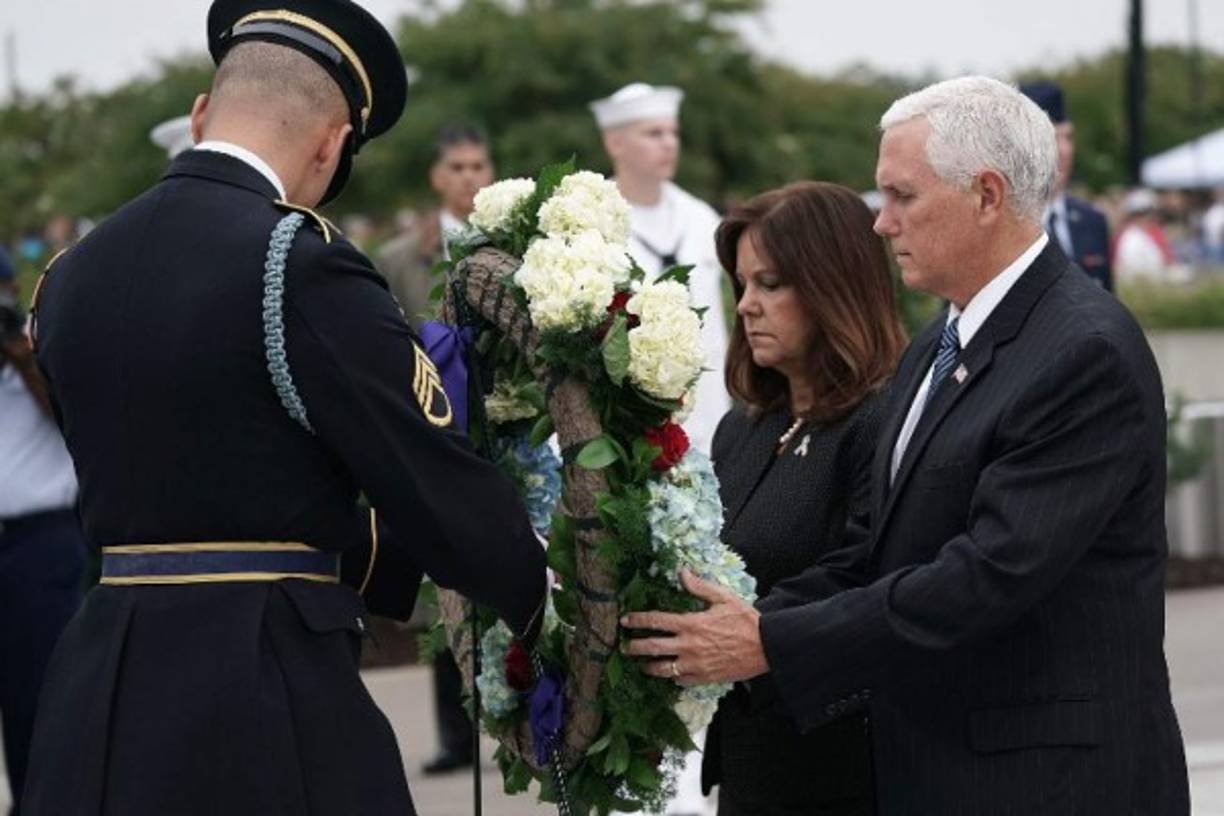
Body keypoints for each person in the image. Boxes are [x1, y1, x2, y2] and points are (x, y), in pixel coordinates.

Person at [21, 2, 547, 814]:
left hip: (97, 692)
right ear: (332, 145)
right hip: (262, 688)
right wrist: (539, 589)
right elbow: (424, 474)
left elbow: (211, 473)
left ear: (202, 113)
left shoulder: (67, 276)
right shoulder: (299, 262)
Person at [624, 76, 1190, 815]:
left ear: (987, 196)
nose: (882, 224)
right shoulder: (935, 346)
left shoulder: (1082, 350)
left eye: (902, 197)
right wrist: (720, 623)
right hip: (937, 772)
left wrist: (774, 644)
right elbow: (876, 550)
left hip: (1047, 783)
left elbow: (988, 574)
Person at [702, 182, 905, 815]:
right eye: (742, 284)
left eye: (771, 284)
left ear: (833, 286)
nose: (746, 306)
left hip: (844, 774)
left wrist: (756, 631)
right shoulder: (744, 426)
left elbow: (868, 574)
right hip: (750, 769)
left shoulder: (884, 420)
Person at [590, 82, 730, 456]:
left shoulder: (701, 218)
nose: (669, 143)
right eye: (654, 133)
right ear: (615, 143)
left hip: (710, 413)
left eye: (673, 133)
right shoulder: (592, 217)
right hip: (625, 422)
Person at [0, 247, 89, 815]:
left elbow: (80, 418)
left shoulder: (40, 341)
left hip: (38, 541)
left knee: (40, 695)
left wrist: (22, 356)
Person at [377, 122, 494, 330]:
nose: (468, 177)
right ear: (437, 177)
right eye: (457, 167)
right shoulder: (395, 260)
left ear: (490, 175)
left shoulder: (517, 248)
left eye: (477, 166)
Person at [1020, 80, 1114, 291]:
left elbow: (1108, 310)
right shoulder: (999, 227)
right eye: (1051, 137)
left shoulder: (1092, 221)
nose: (1064, 150)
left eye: (1068, 137)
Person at [1113, 187, 1178, 283]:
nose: (1154, 217)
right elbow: (1137, 274)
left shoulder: (1142, 235)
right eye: (1150, 213)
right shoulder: (1131, 239)